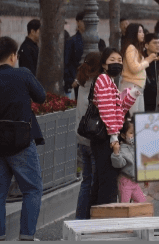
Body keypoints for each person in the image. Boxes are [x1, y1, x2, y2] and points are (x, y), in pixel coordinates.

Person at [0, 36, 46, 242]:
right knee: (32, 188)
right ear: (13, 56)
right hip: (21, 142)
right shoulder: (23, 74)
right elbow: (41, 97)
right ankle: (26, 236)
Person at [91, 47, 139, 207]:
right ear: (104, 64)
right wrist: (113, 136)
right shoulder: (104, 80)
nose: (117, 64)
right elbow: (107, 111)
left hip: (107, 136)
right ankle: (104, 220)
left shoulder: (109, 81)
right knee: (108, 183)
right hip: (106, 137)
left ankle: (93, 220)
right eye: (112, 60)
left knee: (101, 181)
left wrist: (130, 96)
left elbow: (118, 110)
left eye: (119, 61)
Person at [74, 52, 101, 220]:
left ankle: (80, 219)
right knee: (94, 182)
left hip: (81, 138)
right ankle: (91, 220)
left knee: (86, 181)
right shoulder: (96, 83)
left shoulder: (82, 80)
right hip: (93, 139)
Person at [120, 23, 157, 115]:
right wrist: (148, 60)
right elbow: (134, 68)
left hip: (137, 86)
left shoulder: (135, 48)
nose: (143, 34)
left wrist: (148, 60)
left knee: (138, 117)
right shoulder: (131, 48)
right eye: (140, 31)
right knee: (134, 118)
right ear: (133, 33)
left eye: (143, 31)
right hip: (132, 86)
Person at [110, 121, 149, 204]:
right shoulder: (122, 148)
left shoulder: (136, 147)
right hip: (125, 181)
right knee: (124, 206)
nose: (134, 136)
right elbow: (119, 164)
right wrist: (116, 153)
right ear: (123, 135)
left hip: (134, 182)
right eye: (131, 133)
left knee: (142, 203)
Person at [65, 11, 87, 96]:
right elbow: (67, 62)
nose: (86, 24)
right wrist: (71, 80)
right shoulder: (71, 41)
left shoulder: (97, 41)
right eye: (84, 21)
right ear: (78, 22)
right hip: (77, 80)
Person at [142, 31, 159, 112]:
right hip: (145, 96)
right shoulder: (141, 58)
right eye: (154, 43)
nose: (158, 45)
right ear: (146, 45)